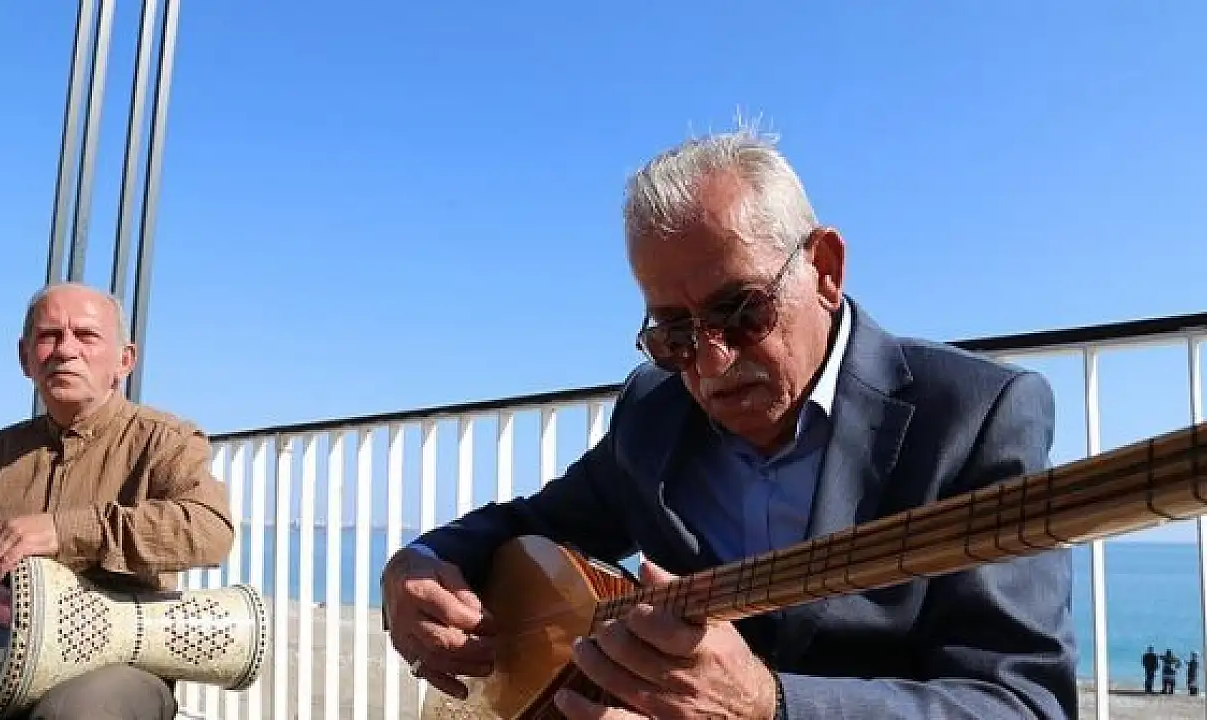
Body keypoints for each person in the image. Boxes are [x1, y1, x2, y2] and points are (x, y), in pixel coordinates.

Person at [380, 126, 1078, 719]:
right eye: (673, 334)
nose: (710, 363)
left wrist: (771, 705)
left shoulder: (975, 417)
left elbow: (1022, 703)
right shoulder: (655, 411)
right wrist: (417, 565)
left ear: (825, 269)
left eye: (742, 311)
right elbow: (530, 523)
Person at [0, 282, 235, 720]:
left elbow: (209, 528)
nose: (65, 350)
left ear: (125, 359)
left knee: (73, 713)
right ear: (25, 357)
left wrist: (66, 530)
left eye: (86, 335)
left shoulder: (165, 442)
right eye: (49, 335)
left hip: (117, 665)